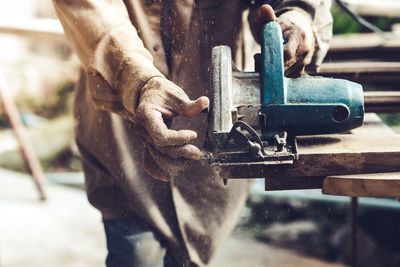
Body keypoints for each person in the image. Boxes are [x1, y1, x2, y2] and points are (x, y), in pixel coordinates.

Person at [52, 0, 332, 266]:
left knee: (190, 258)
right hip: (121, 138)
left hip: (214, 134)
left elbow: (287, 7)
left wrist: (296, 16)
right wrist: (136, 78)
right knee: (134, 253)